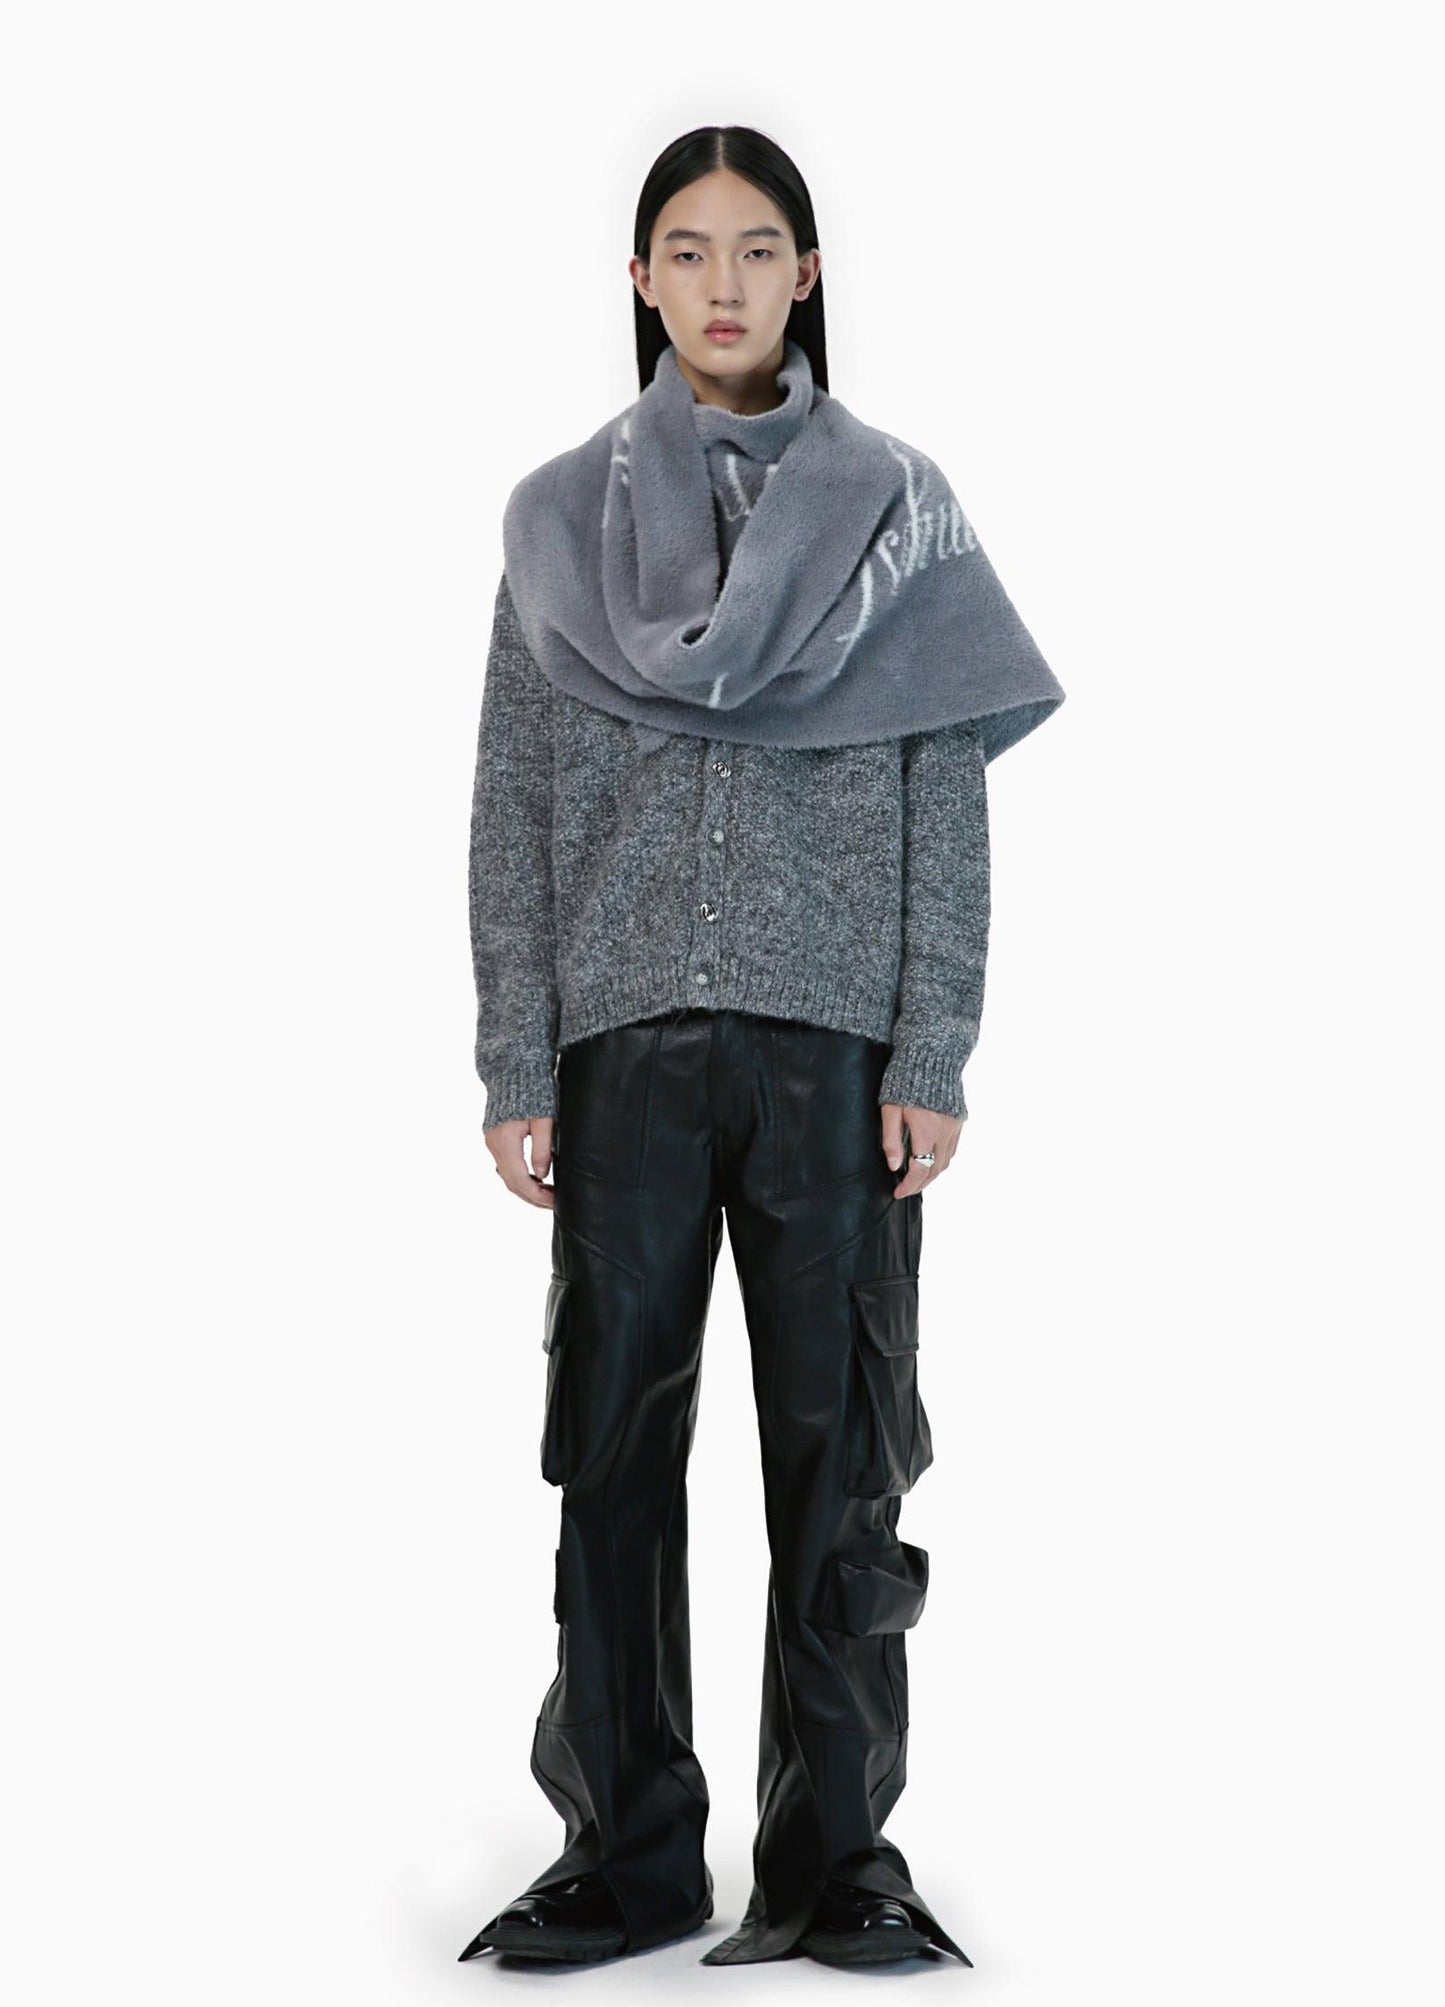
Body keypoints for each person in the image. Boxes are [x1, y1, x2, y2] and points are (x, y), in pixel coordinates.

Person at [458, 124, 1065, 1972]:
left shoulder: (898, 511)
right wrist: (515, 1061)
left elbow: (945, 793)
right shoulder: (557, 524)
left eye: (755, 248)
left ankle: (838, 1857)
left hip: (836, 1064)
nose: (721, 283)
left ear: (807, 273)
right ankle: (626, 1849)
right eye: (685, 248)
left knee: (843, 1458)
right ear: (639, 279)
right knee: (608, 1459)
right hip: (622, 1055)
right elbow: (513, 809)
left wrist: (931, 1042)